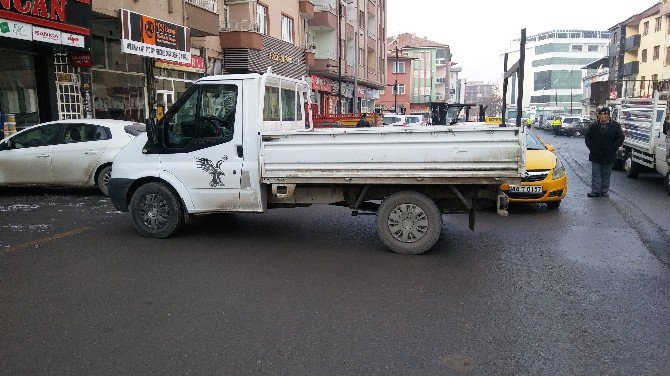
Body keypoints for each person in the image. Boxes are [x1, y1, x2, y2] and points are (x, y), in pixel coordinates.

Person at [585, 107, 624, 198]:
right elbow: (588, 138)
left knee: (606, 174)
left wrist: (614, 147)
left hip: (609, 154)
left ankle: (604, 191)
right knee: (596, 174)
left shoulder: (615, 126)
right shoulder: (593, 126)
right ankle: (595, 191)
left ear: (609, 115)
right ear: (598, 115)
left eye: (605, 114)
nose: (603, 116)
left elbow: (620, 137)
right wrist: (592, 147)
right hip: (596, 154)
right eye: (601, 114)